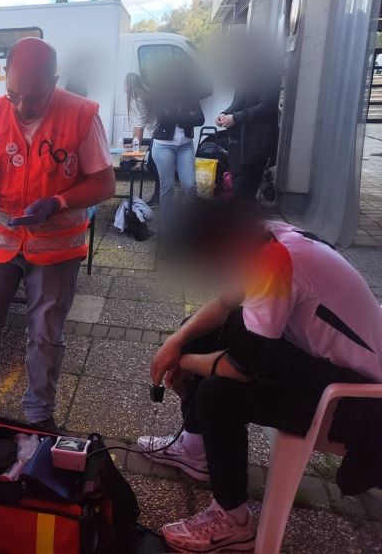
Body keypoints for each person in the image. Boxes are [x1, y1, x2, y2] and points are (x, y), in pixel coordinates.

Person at [138, 199, 382, 552]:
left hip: (359, 401)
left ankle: (233, 519)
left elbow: (237, 369)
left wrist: (184, 362)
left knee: (218, 395)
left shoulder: (274, 262)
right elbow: (225, 304)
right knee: (201, 334)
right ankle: (196, 449)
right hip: (325, 366)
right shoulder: (269, 237)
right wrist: (176, 342)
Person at [0, 37, 116, 430]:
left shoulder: (81, 115)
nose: (21, 108)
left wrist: (59, 202)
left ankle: (39, 416)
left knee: (46, 334)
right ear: (4, 78)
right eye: (13, 95)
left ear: (54, 81)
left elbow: (104, 183)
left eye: (34, 98)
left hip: (55, 247)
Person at [216, 41, 281, 204]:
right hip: (237, 144)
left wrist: (235, 118)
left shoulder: (270, 74)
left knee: (244, 194)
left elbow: (267, 106)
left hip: (256, 145)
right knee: (238, 190)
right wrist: (225, 113)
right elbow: (237, 103)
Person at [150, 65, 205, 231]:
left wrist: (180, 118)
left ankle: (189, 223)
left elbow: (200, 119)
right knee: (167, 186)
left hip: (185, 145)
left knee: (189, 185)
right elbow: (163, 118)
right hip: (163, 146)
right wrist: (188, 115)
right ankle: (167, 226)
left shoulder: (190, 95)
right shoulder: (159, 94)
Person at [124, 72, 160, 206]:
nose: (123, 86)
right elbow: (137, 123)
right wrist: (134, 142)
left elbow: (141, 123)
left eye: (124, 83)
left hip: (158, 135)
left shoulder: (138, 99)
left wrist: (136, 146)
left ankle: (159, 196)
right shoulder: (141, 97)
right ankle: (160, 195)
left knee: (152, 165)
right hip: (157, 134)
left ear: (129, 85)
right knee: (153, 165)